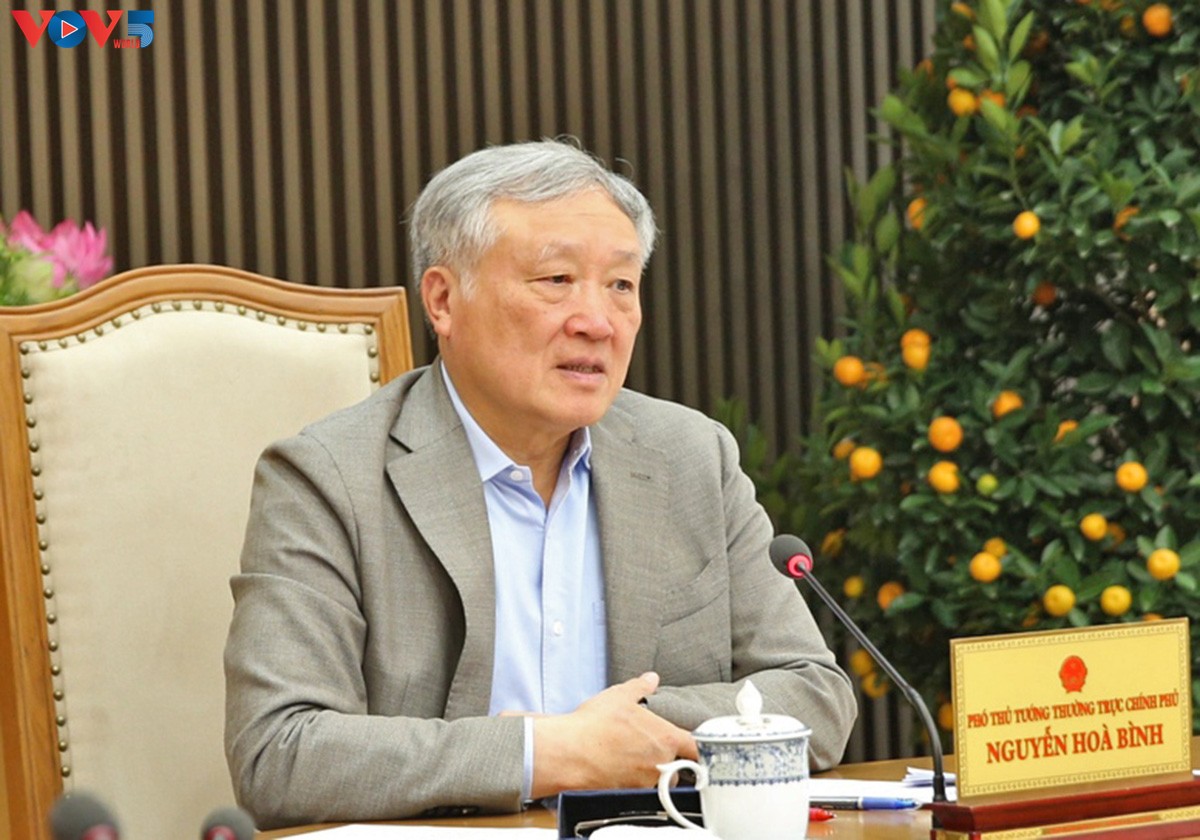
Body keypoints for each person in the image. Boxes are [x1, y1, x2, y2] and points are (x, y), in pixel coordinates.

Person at [223, 139, 856, 829]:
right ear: (443, 300)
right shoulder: (327, 477)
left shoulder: (690, 457)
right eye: (556, 280)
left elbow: (815, 696)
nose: (597, 322)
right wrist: (543, 753)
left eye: (621, 285)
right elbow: (279, 754)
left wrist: (621, 736)